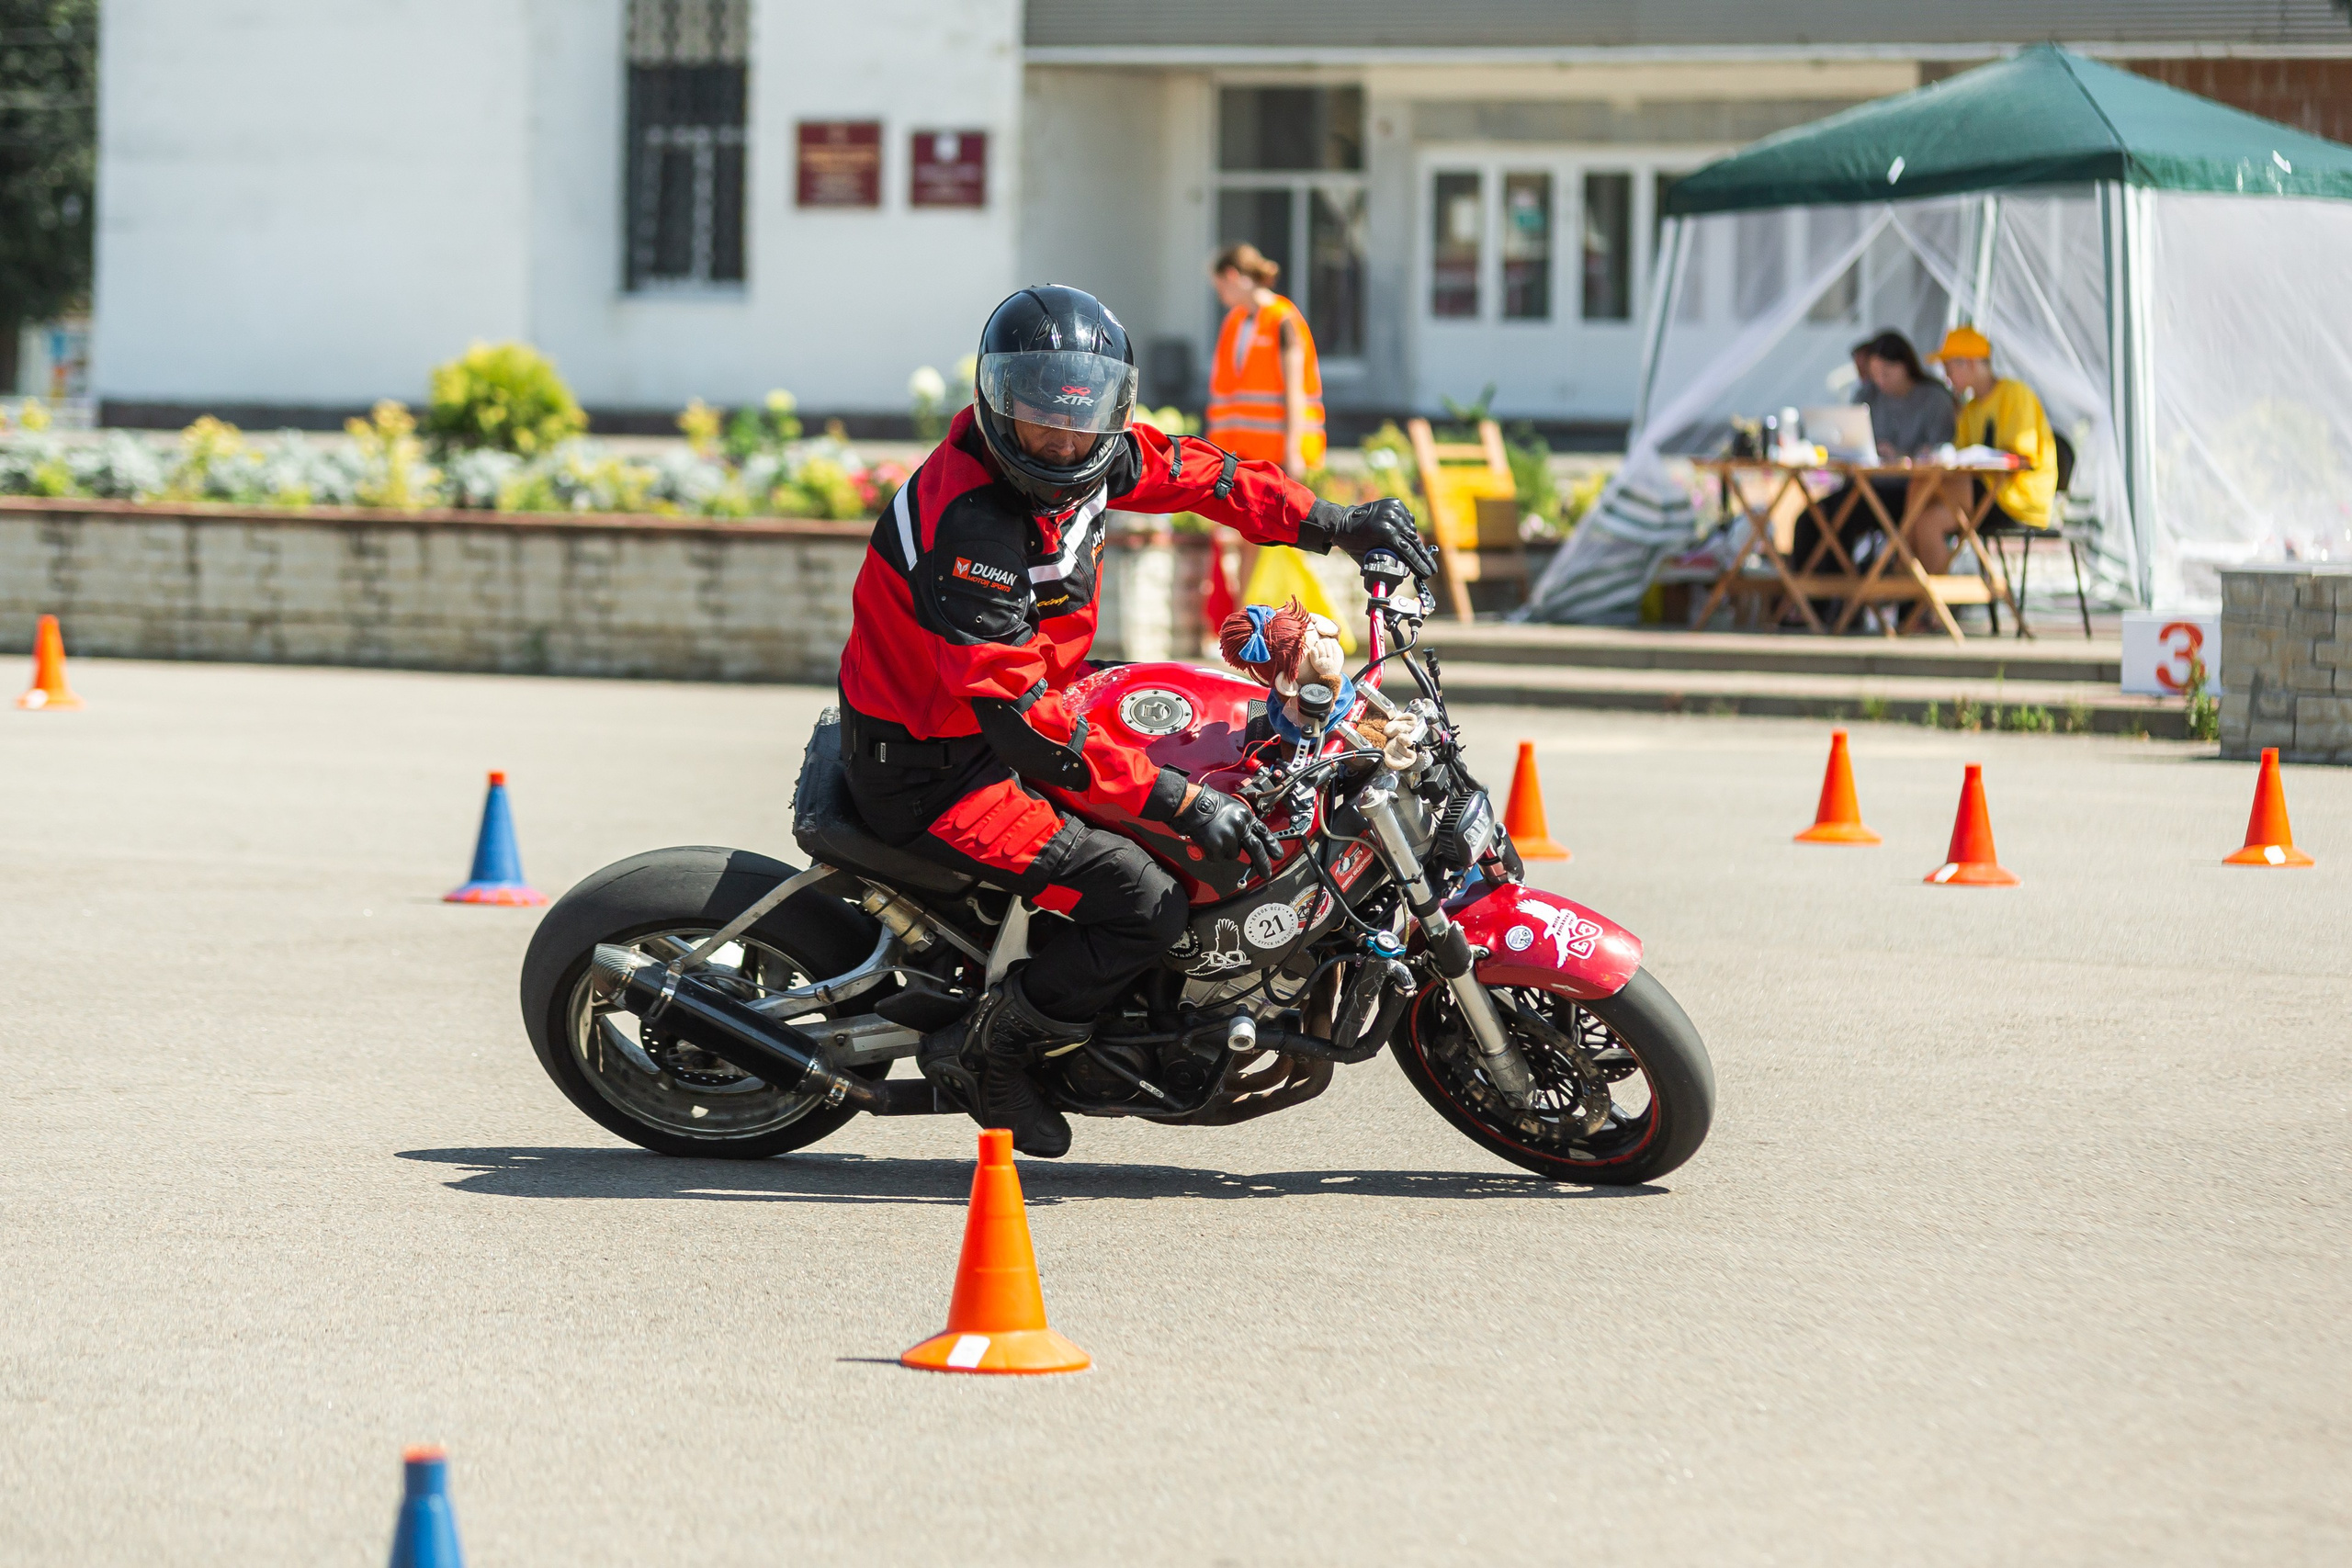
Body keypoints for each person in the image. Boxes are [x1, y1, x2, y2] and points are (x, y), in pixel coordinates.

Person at [835, 284, 1433, 1158]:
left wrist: (1336, 523)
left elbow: (1206, 474)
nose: (1063, 442)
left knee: (1209, 725)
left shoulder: (1093, 453)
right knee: (1142, 895)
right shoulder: (975, 525)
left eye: (1083, 422)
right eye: (1041, 422)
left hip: (1034, 699)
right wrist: (1180, 804)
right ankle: (996, 1059)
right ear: (998, 403)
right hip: (939, 763)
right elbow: (1017, 723)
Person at [1792, 331, 1954, 575]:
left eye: (1886, 374)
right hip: (1867, 485)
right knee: (1810, 518)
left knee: (1841, 516)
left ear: (1905, 367)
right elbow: (1849, 434)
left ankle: (1843, 601)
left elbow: (1941, 453)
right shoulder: (1867, 395)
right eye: (1875, 374)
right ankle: (1811, 602)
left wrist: (1900, 456)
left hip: (1910, 492)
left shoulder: (1934, 399)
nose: (1880, 381)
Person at [1908, 325, 2058, 573]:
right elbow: (1959, 457)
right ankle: (1928, 600)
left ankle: (1903, 571)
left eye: (1950, 368)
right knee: (1924, 517)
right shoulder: (1970, 409)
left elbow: (2020, 459)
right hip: (1983, 496)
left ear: (1969, 364)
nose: (1947, 377)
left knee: (1925, 499)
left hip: (2016, 499)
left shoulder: (2014, 394)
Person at [1205, 243, 1324, 479]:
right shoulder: (1234, 322)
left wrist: (1293, 451)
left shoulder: (1282, 320)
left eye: (1220, 287)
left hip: (1277, 458)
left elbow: (1295, 390)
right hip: (1238, 457)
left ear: (1232, 276)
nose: (1220, 295)